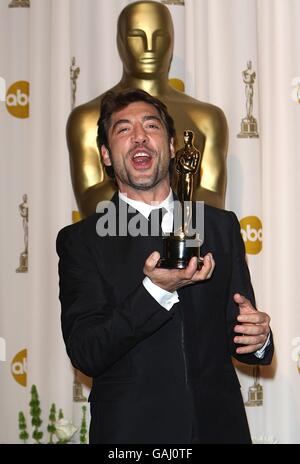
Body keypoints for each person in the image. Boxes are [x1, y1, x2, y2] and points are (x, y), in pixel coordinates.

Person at [57, 89, 273, 444]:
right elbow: (86, 350)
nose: (139, 136)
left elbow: (241, 330)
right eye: (124, 129)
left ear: (173, 147)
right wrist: (155, 291)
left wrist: (259, 338)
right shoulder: (82, 241)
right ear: (107, 156)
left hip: (220, 429)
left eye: (151, 126)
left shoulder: (219, 227)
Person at [67, 0, 228, 217]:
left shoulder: (207, 118)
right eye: (137, 36)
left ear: (171, 42)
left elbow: (212, 201)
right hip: (116, 243)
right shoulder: (86, 118)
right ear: (120, 41)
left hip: (188, 243)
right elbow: (91, 201)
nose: (149, 46)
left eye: (159, 37)